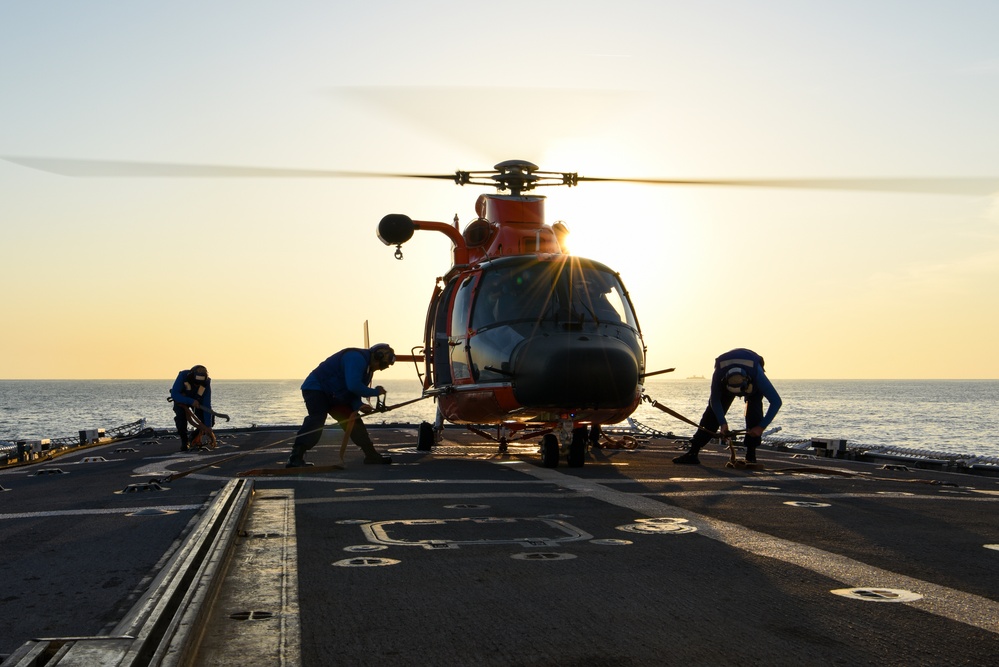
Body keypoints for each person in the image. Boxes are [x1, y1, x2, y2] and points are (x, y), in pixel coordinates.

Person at [288, 343, 396, 467]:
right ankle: (295, 457)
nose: (380, 368)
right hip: (316, 389)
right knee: (316, 419)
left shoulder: (368, 370)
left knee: (353, 419)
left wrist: (359, 405)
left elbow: (352, 393)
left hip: (335, 395)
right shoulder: (356, 358)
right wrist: (375, 392)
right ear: (378, 355)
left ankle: (371, 455)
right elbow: (354, 386)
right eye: (382, 365)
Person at [673, 348, 782, 466]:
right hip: (728, 382)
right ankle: (693, 453)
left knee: (754, 413)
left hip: (751, 381)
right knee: (711, 414)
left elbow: (776, 402)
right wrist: (722, 423)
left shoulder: (757, 376)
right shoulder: (719, 374)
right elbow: (714, 401)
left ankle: (751, 455)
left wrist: (760, 427)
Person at [170, 365, 228, 452]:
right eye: (196, 382)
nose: (197, 384)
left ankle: (194, 437)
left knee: (209, 420)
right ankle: (184, 442)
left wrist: (208, 427)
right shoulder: (183, 376)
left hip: (198, 402)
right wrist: (190, 401)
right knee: (181, 418)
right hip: (181, 401)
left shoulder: (206, 383)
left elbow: (207, 404)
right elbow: (174, 394)